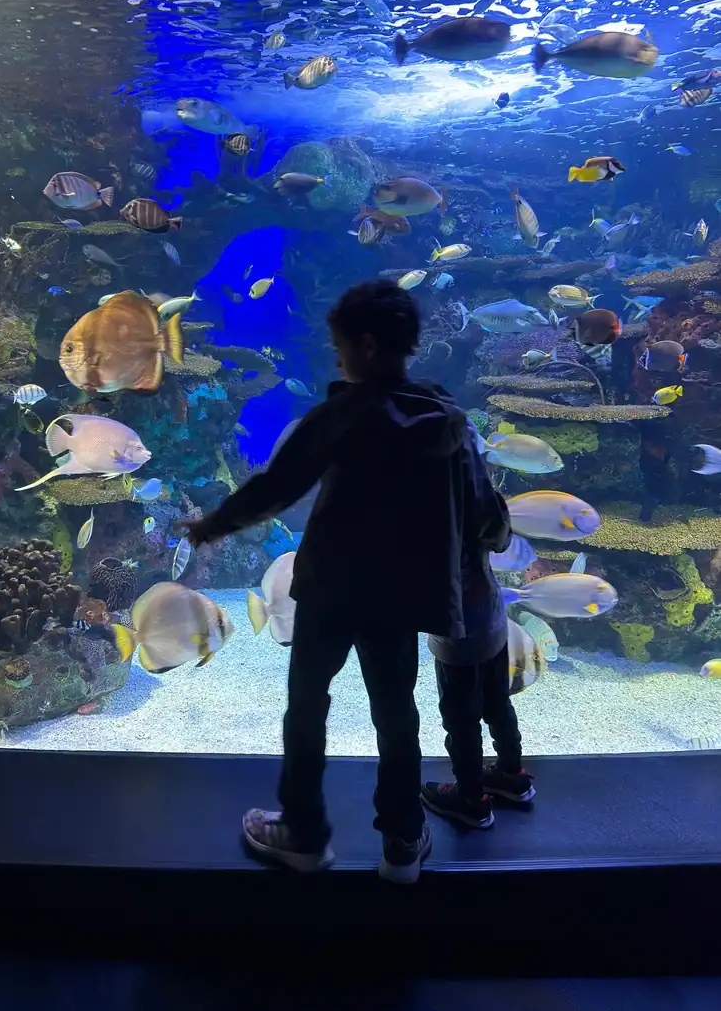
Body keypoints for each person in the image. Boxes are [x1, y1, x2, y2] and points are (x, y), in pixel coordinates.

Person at [177, 280, 490, 884]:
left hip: (329, 588)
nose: (337, 357)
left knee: (308, 707)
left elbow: (278, 485)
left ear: (366, 346)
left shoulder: (344, 413)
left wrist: (214, 525)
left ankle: (303, 833)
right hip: (400, 596)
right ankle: (402, 840)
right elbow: (477, 502)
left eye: (340, 346)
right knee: (396, 714)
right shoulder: (446, 417)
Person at [419, 425, 535, 829]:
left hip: (455, 627)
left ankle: (470, 798)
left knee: (460, 715)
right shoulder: (484, 496)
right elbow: (501, 541)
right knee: (497, 700)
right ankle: (512, 775)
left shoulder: (430, 502)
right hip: (491, 617)